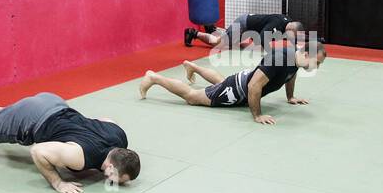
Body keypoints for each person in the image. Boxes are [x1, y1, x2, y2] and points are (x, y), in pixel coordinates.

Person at [0, 93, 140, 193]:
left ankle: (5, 114)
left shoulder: (118, 135)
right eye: (117, 179)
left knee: (3, 119)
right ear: (110, 166)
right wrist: (58, 183)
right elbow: (38, 151)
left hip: (54, 102)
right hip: (33, 119)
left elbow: (104, 120)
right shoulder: (80, 157)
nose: (114, 183)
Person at [139, 39, 326, 125]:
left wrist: (290, 96)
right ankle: (154, 77)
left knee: (221, 82)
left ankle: (193, 67)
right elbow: (254, 86)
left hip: (239, 82)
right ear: (306, 54)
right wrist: (257, 115)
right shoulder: (280, 57)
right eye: (316, 62)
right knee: (192, 97)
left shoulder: (295, 60)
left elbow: (290, 75)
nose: (316, 67)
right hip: (239, 90)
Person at [186, 13, 304, 50]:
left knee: (236, 44)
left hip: (248, 27)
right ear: (290, 29)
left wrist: (297, 48)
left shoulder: (288, 22)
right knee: (219, 44)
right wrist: (272, 52)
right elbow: (262, 39)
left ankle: (214, 29)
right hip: (243, 24)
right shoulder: (277, 24)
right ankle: (193, 33)